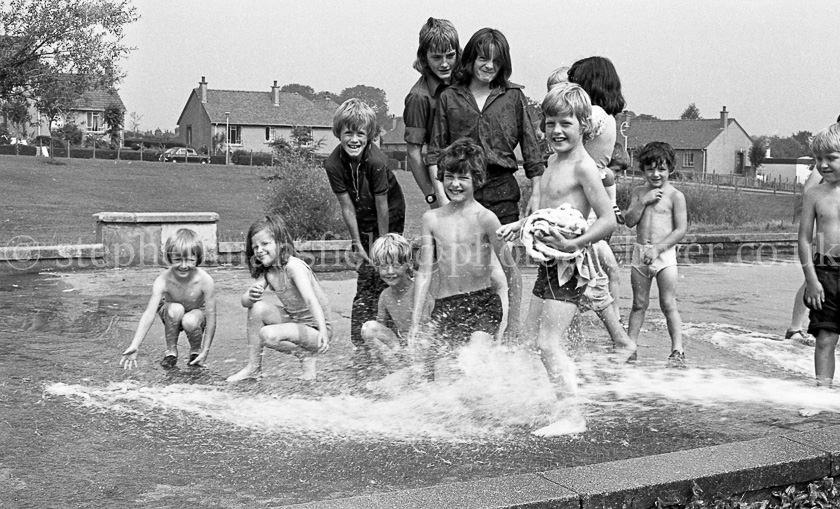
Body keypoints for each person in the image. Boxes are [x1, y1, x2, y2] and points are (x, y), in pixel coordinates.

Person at [497, 83, 630, 436]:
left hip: (570, 266)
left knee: (547, 342)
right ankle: (556, 400)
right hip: (549, 264)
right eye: (550, 122)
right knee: (531, 338)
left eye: (565, 123)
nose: (556, 130)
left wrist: (576, 245)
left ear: (583, 125)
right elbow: (550, 211)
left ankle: (573, 416)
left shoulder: (584, 167)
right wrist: (521, 224)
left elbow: (607, 219)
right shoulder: (555, 161)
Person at [410, 138, 520, 375]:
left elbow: (513, 275)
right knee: (440, 375)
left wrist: (512, 324)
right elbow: (424, 273)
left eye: (463, 178)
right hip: (446, 306)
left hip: (482, 304)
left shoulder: (486, 219)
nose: (455, 184)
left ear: (477, 180)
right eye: (450, 176)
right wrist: (416, 321)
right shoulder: (432, 219)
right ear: (441, 177)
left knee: (471, 361)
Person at [428, 27, 544, 226]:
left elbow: (531, 150)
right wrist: (442, 197)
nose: (489, 66)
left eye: (496, 61)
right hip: (460, 189)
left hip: (503, 194)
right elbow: (435, 153)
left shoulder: (513, 96)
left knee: (504, 255)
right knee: (463, 255)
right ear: (472, 59)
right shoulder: (449, 97)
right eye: (483, 59)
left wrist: (536, 195)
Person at [324, 98, 406, 367]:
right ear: (339, 133)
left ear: (369, 135)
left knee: (387, 268)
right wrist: (358, 244)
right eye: (348, 132)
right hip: (362, 214)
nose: (354, 139)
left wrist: (382, 246)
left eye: (361, 133)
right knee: (365, 274)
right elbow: (346, 207)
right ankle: (361, 345)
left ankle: (397, 331)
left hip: (389, 213)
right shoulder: (333, 163)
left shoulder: (377, 161)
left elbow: (383, 206)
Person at [227, 215, 332, 382]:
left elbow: (312, 300)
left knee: (267, 334)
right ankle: (254, 367)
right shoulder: (269, 272)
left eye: (265, 244)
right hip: (296, 322)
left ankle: (305, 355)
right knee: (256, 308)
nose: (259, 250)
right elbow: (245, 303)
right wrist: (251, 295)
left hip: (316, 330)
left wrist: (323, 332)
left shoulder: (294, 267)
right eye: (255, 247)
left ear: (281, 243)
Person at [623, 141, 688, 367]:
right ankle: (630, 346)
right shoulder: (639, 192)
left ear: (670, 169)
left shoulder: (675, 196)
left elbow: (681, 229)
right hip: (640, 254)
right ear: (642, 169)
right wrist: (643, 202)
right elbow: (629, 221)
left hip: (664, 256)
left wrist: (658, 248)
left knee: (668, 303)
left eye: (661, 168)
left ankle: (677, 350)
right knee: (638, 304)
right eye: (650, 168)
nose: (656, 174)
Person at [120, 229, 217, 370]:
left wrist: (205, 351)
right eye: (177, 259)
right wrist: (135, 345)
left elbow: (212, 317)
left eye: (189, 260)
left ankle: (195, 351)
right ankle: (171, 351)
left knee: (190, 320)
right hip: (172, 312)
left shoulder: (205, 281)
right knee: (175, 309)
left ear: (198, 258)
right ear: (170, 258)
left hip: (196, 315)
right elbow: (149, 313)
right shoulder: (163, 280)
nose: (183, 266)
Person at [799, 122, 840, 386]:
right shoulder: (814, 194)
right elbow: (804, 239)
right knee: (825, 338)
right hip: (825, 275)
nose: (823, 164)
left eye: (831, 158)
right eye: (818, 159)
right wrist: (812, 281)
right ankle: (822, 392)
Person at [403, 17, 461, 208]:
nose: (444, 64)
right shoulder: (418, 97)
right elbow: (413, 153)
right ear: (424, 58)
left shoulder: (466, 84)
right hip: (443, 179)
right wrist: (433, 196)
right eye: (436, 57)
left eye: (450, 56)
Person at [361, 233, 432, 369]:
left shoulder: (419, 292)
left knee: (421, 341)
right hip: (402, 347)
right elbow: (381, 329)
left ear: (409, 265)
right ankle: (396, 368)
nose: (390, 271)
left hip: (423, 347)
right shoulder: (385, 296)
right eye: (383, 266)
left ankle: (413, 372)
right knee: (369, 328)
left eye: (396, 265)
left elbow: (427, 330)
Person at [782, 166, 823, 345]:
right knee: (814, 277)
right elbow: (809, 190)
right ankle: (794, 328)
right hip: (825, 231)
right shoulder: (829, 157)